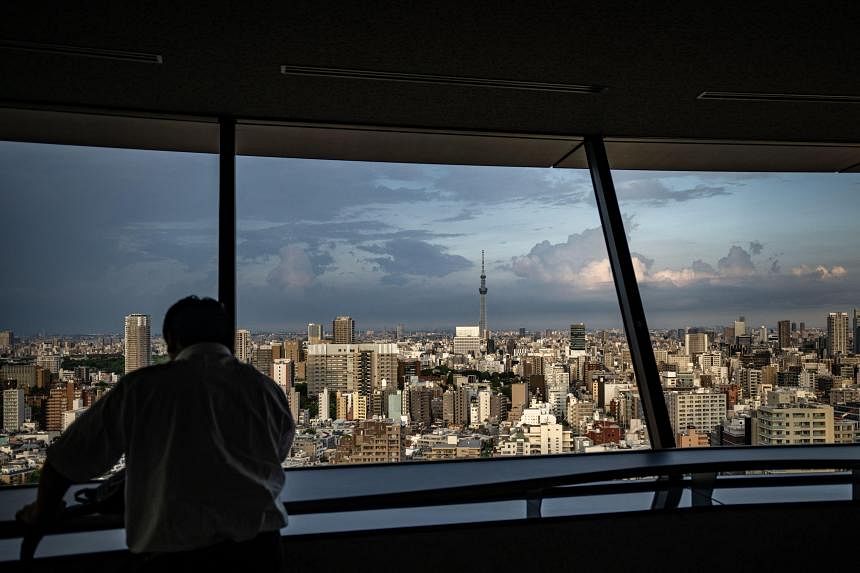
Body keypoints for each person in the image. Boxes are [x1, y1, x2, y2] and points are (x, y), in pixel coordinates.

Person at [17, 296, 295, 570]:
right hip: (260, 552)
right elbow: (275, 453)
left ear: (170, 339)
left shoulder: (143, 388)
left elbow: (67, 460)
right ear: (227, 337)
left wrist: (42, 512)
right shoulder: (265, 389)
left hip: (175, 556)